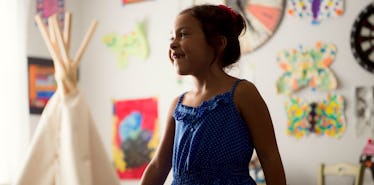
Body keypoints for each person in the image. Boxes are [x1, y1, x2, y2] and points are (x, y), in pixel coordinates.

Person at [140, 4, 286, 185]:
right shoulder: (178, 105)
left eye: (183, 34)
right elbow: (158, 166)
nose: (173, 43)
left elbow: (270, 158)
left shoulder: (242, 94)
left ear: (218, 43)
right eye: (172, 36)